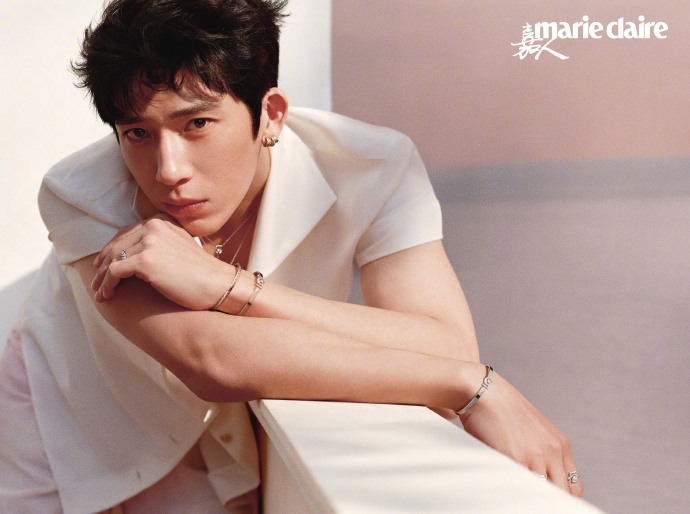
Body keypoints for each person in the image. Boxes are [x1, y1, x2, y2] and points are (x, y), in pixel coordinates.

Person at [0, 0, 582, 512]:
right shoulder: (81, 193)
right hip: (72, 404)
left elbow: (444, 342)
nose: (168, 170)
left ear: (271, 114)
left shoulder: (370, 166)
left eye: (197, 123)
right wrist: (473, 386)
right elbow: (210, 359)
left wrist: (228, 286)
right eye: (137, 133)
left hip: (221, 435)